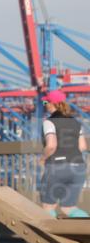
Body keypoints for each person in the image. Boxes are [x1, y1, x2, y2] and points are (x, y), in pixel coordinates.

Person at [40, 89, 88, 218]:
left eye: (45, 102)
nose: (44, 105)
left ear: (52, 104)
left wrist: (42, 159)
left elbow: (51, 145)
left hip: (57, 167)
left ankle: (49, 232)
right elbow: (83, 147)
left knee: (48, 207)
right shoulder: (76, 122)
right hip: (78, 167)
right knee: (68, 208)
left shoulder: (49, 122)